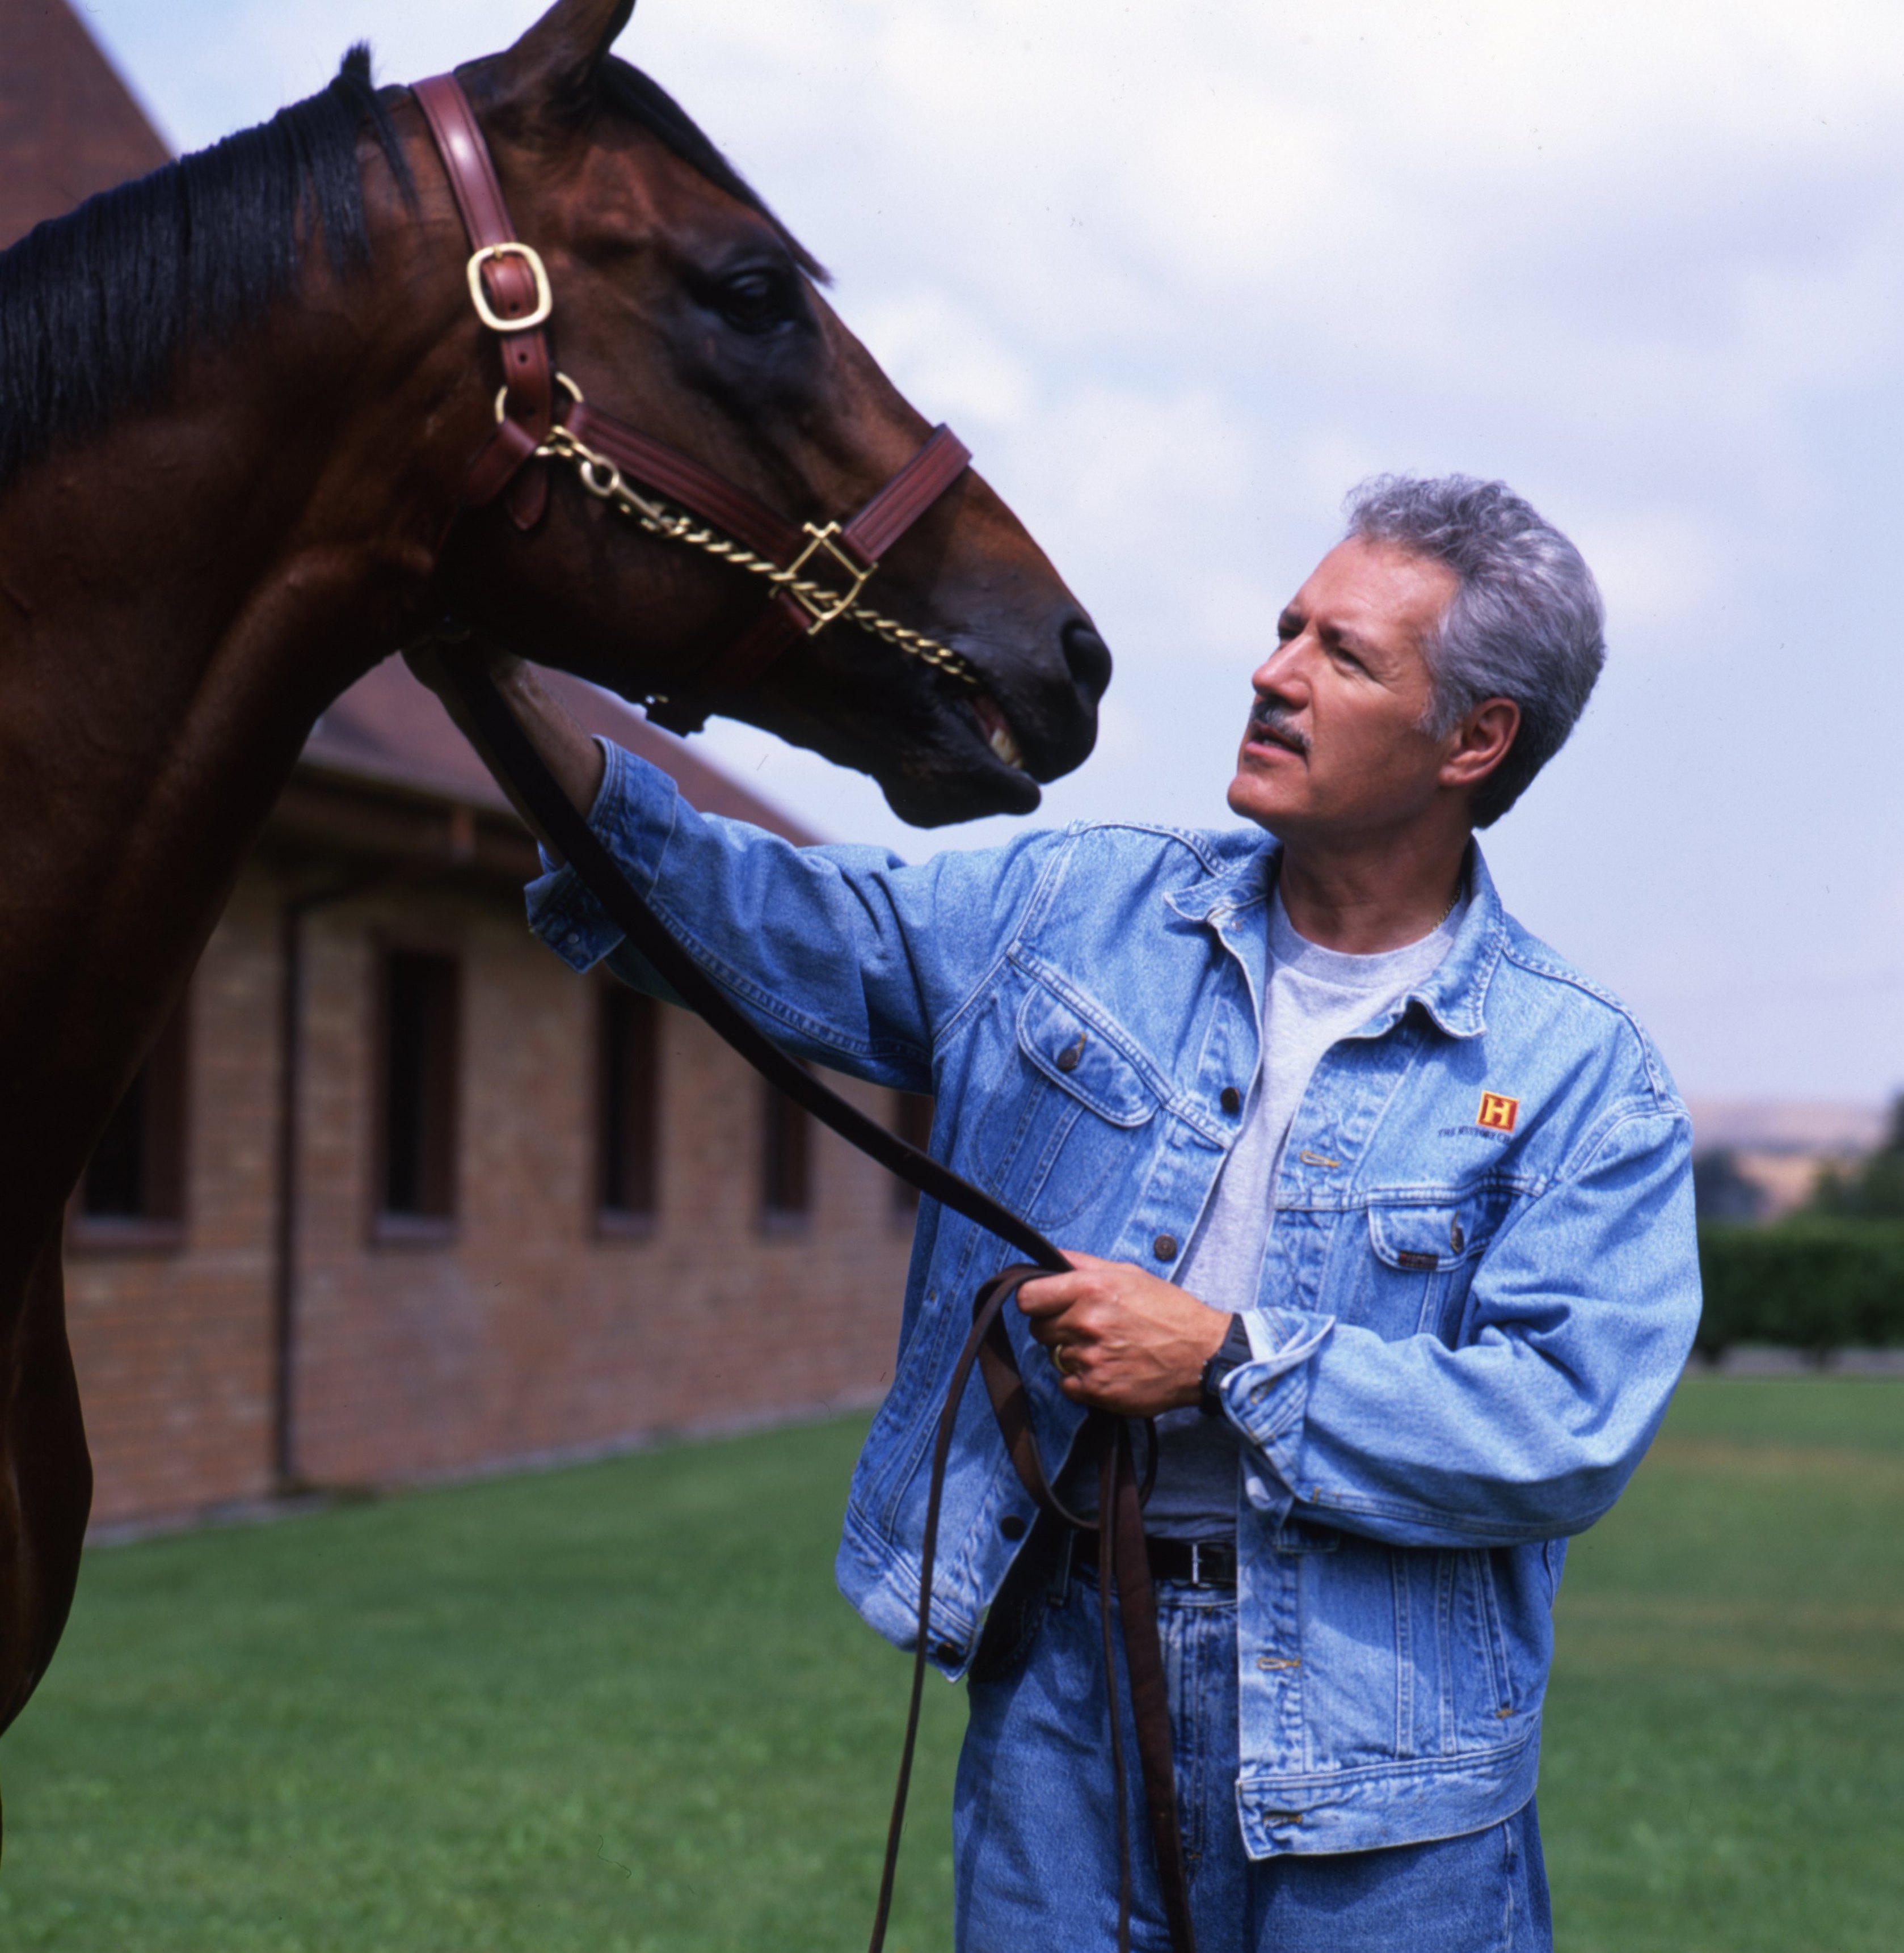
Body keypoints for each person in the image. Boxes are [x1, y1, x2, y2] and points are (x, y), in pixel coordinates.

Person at [424, 474, 1700, 1952]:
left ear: (1474, 740)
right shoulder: (1075, 910)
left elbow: (1562, 1425)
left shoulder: (1580, 1076)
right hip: (1061, 1702)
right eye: (1287, 628)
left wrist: (1221, 1359)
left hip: (1388, 1766)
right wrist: (483, 678)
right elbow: (747, 911)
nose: (1271, 671)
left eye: (1341, 655)